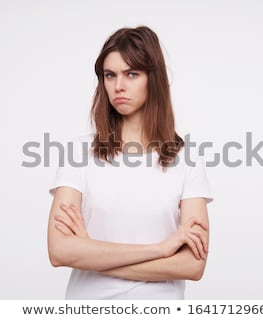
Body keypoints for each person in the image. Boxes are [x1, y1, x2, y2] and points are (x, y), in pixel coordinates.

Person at [47, 25, 213, 299]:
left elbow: (193, 264)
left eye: (131, 74)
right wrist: (160, 250)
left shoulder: (187, 160)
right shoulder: (78, 152)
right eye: (110, 75)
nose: (118, 86)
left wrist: (92, 253)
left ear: (153, 79)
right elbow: (60, 251)